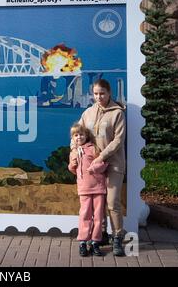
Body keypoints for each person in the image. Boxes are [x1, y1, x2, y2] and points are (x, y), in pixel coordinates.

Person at [73, 78, 126, 257]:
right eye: (95, 94)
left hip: (113, 164)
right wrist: (74, 151)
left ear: (109, 93)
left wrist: (101, 157)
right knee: (98, 204)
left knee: (112, 202)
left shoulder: (118, 113)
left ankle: (117, 237)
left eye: (102, 93)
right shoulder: (88, 113)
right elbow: (77, 134)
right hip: (93, 168)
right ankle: (100, 234)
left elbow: (118, 140)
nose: (99, 97)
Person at [68, 124, 108, 257]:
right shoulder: (74, 151)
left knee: (98, 216)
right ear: (73, 138)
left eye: (81, 134)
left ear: (86, 136)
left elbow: (103, 163)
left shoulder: (93, 148)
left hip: (98, 187)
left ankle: (95, 242)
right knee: (85, 215)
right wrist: (73, 163)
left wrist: (94, 168)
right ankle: (83, 242)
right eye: (76, 135)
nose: (79, 137)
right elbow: (73, 169)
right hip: (84, 188)